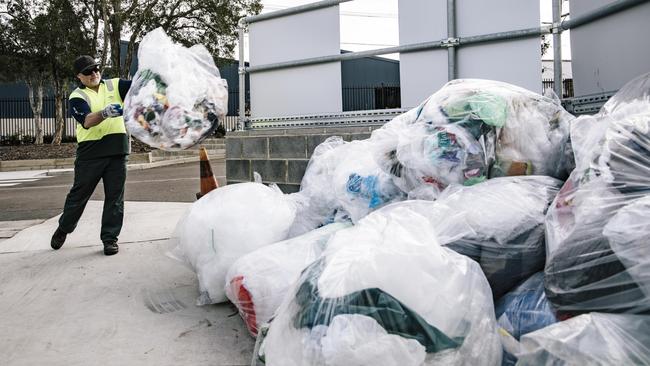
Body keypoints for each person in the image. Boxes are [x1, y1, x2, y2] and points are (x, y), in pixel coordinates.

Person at [50, 55, 132, 256]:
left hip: (117, 151)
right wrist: (104, 113)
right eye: (88, 71)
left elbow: (140, 87)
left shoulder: (114, 85)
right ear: (79, 76)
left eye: (96, 69)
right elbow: (87, 121)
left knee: (115, 198)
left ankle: (110, 239)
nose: (94, 73)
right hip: (91, 154)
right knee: (79, 196)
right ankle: (64, 228)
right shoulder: (77, 96)